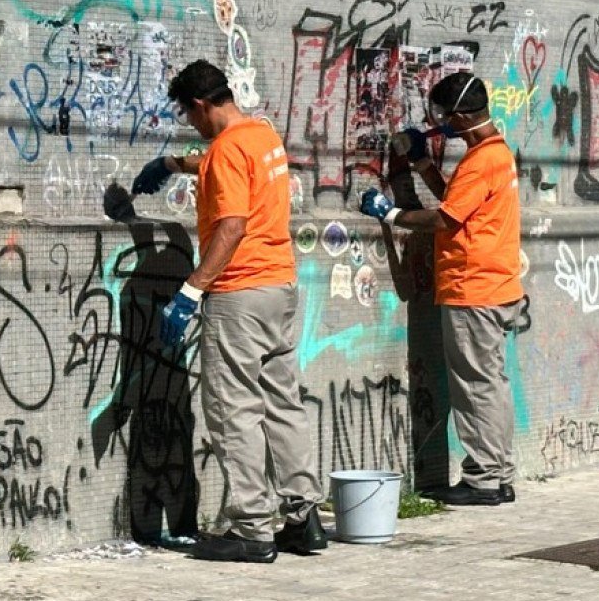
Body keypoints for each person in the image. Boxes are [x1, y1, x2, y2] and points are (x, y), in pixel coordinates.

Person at [131, 60, 325, 563]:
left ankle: (252, 530)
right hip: (280, 287)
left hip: (239, 294)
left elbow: (232, 225)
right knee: (282, 402)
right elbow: (225, 165)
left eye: (188, 115)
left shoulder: (227, 149)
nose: (190, 124)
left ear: (199, 105)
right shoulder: (262, 136)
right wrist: (174, 165)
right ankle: (304, 519)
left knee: (233, 409)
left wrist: (193, 290)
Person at [358, 71, 526, 507]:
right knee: (491, 384)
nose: (440, 124)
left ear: (461, 116)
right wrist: (421, 166)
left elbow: (445, 219)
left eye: (445, 116)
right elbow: (458, 200)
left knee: (475, 387)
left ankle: (483, 480)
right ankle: (500, 473)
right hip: (494, 285)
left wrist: (390, 213)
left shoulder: (481, 160)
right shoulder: (495, 154)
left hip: (474, 289)